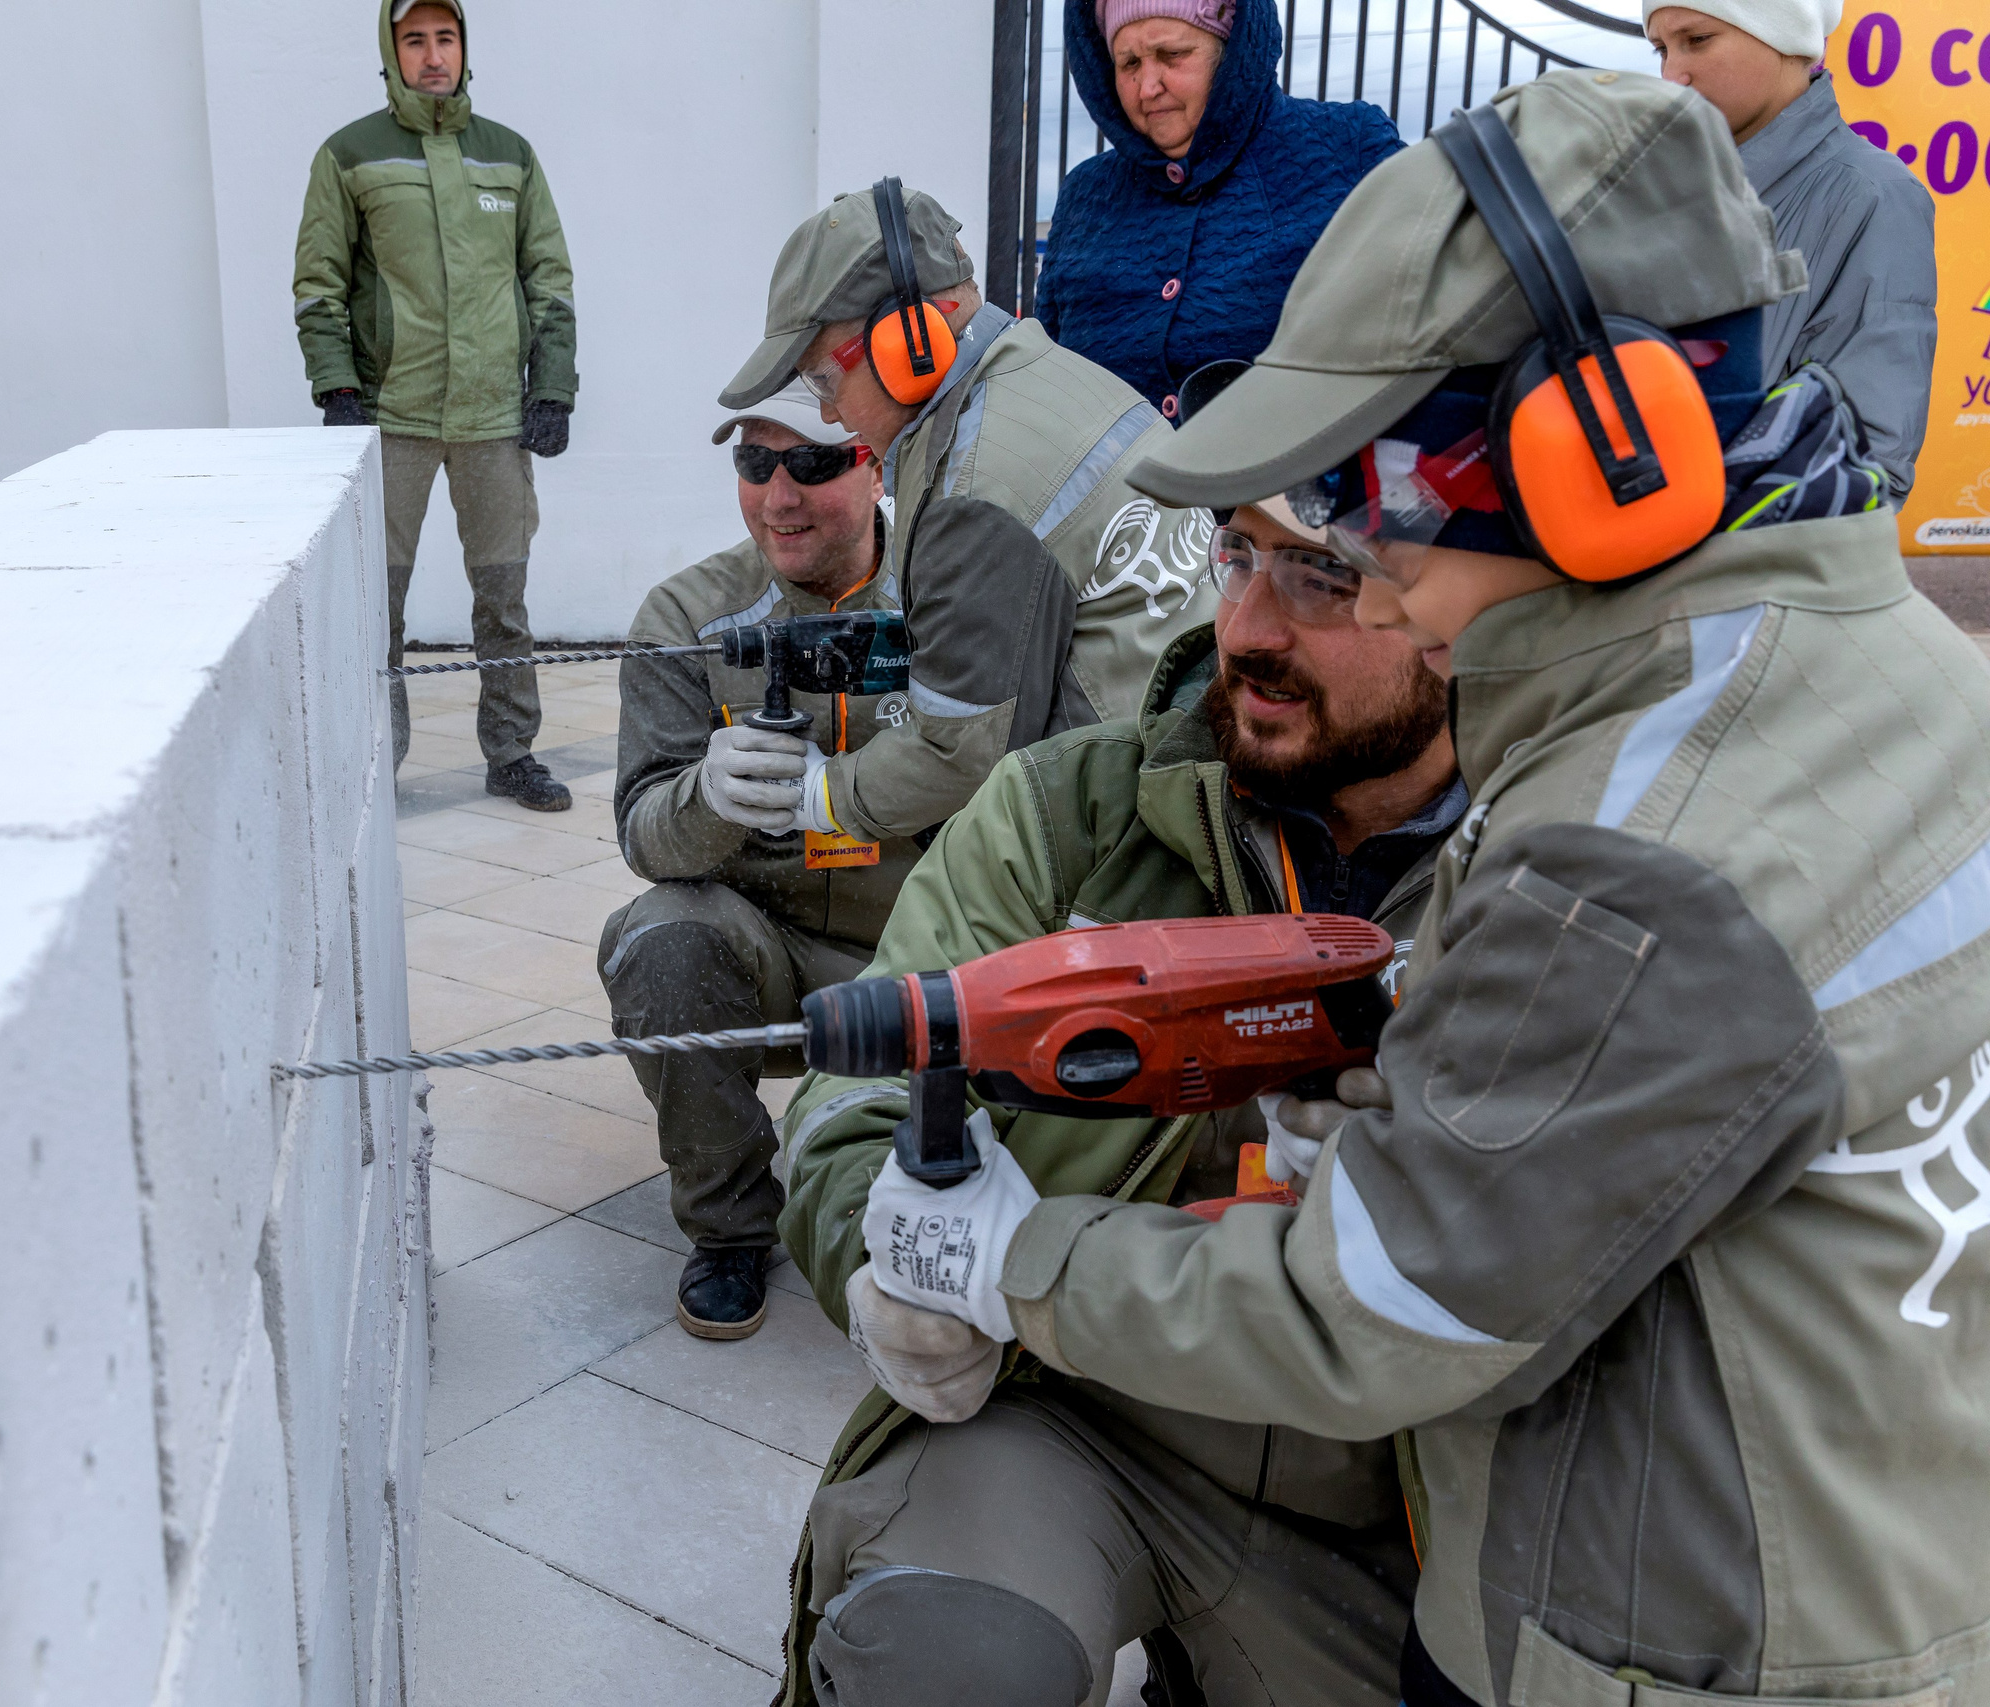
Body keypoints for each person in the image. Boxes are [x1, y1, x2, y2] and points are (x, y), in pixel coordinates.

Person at [808, 71, 1990, 1707]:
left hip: (1670, 1647)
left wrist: (1022, 1259)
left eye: (1368, 520)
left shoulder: (1636, 837)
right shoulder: (1897, 673)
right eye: (1252, 551)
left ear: (1606, 457)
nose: (1356, 583)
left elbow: (1384, 1306)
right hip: (1870, 1566)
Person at [772, 497, 1463, 1704]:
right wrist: (871, 1253)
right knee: (946, 1668)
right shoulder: (1073, 811)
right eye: (1234, 555)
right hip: (1077, 1416)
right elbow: (853, 1097)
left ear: (1464, 608)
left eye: (1321, 575)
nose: (1244, 627)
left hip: (1400, 1494)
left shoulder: (1566, 868)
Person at [603, 382, 1076, 1338]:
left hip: (933, 949)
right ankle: (732, 1225)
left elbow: (1050, 789)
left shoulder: (957, 601)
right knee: (660, 942)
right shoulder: (688, 615)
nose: (780, 495)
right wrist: (706, 798)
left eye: (814, 463)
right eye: (755, 464)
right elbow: (643, 831)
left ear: (876, 461)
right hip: (769, 955)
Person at [723, 181, 1218, 769]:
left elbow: (959, 754)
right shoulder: (1057, 378)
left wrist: (821, 797)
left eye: (826, 380)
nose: (830, 413)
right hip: (1191, 752)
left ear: (909, 342)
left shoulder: (974, 487)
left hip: (1122, 811)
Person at [294, 0, 579, 809]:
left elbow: (549, 280)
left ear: (463, 48)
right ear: (390, 49)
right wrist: (340, 388)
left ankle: (512, 751)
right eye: (413, 39)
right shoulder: (349, 155)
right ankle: (377, 765)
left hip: (494, 420)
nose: (431, 55)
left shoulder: (510, 156)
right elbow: (318, 285)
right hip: (395, 418)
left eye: (444, 38)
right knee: (375, 605)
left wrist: (551, 387)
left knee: (504, 597)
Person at [1038, 0, 1402, 425]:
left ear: (1233, 49)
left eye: (1172, 55)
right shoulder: (1086, 196)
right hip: (1115, 490)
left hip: (1297, 482)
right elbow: (1049, 376)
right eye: (1129, 62)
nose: (1148, 86)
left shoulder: (1347, 149)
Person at [1648, 0, 1936, 497]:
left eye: (1697, 40)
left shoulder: (1872, 193)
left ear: (1785, 38)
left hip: (1744, 560)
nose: (1673, 75)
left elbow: (1864, 460)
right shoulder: (1657, 188)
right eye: (1660, 49)